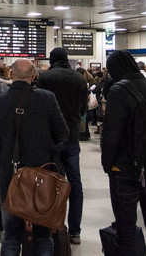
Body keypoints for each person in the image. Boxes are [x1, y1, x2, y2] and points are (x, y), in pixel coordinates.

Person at [0, 59, 68, 256]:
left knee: (11, 234)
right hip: (42, 174)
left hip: (9, 174)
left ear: (11, 75)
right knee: (43, 234)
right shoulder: (47, 99)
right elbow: (63, 134)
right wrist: (53, 160)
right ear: (34, 76)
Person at [101, 51, 146, 256]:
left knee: (126, 228)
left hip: (125, 167)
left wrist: (108, 164)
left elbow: (111, 134)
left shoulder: (118, 91)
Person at [37, 47, 89, 244]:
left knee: (52, 184)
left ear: (52, 59)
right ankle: (75, 231)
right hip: (72, 138)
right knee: (75, 184)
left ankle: (52, 227)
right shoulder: (79, 79)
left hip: (51, 140)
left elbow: (40, 108)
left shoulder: (45, 78)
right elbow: (84, 109)